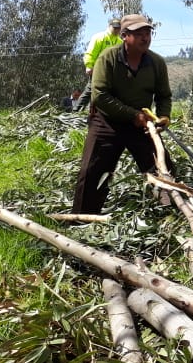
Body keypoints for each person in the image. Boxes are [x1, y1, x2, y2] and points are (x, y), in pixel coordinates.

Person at [71, 14, 172, 214]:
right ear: (125, 36)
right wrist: (132, 115)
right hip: (106, 122)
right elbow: (99, 95)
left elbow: (164, 96)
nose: (145, 38)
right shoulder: (107, 58)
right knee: (92, 172)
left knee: (162, 168)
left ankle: (170, 212)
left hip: (142, 125)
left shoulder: (156, 63)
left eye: (148, 33)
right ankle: (82, 220)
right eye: (139, 34)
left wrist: (162, 117)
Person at [75, 18, 123, 111]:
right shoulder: (99, 37)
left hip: (111, 73)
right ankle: (75, 112)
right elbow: (91, 52)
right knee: (90, 91)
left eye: (118, 28)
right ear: (109, 27)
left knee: (108, 94)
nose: (116, 30)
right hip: (97, 70)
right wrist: (89, 66)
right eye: (115, 28)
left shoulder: (120, 42)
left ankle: (99, 113)